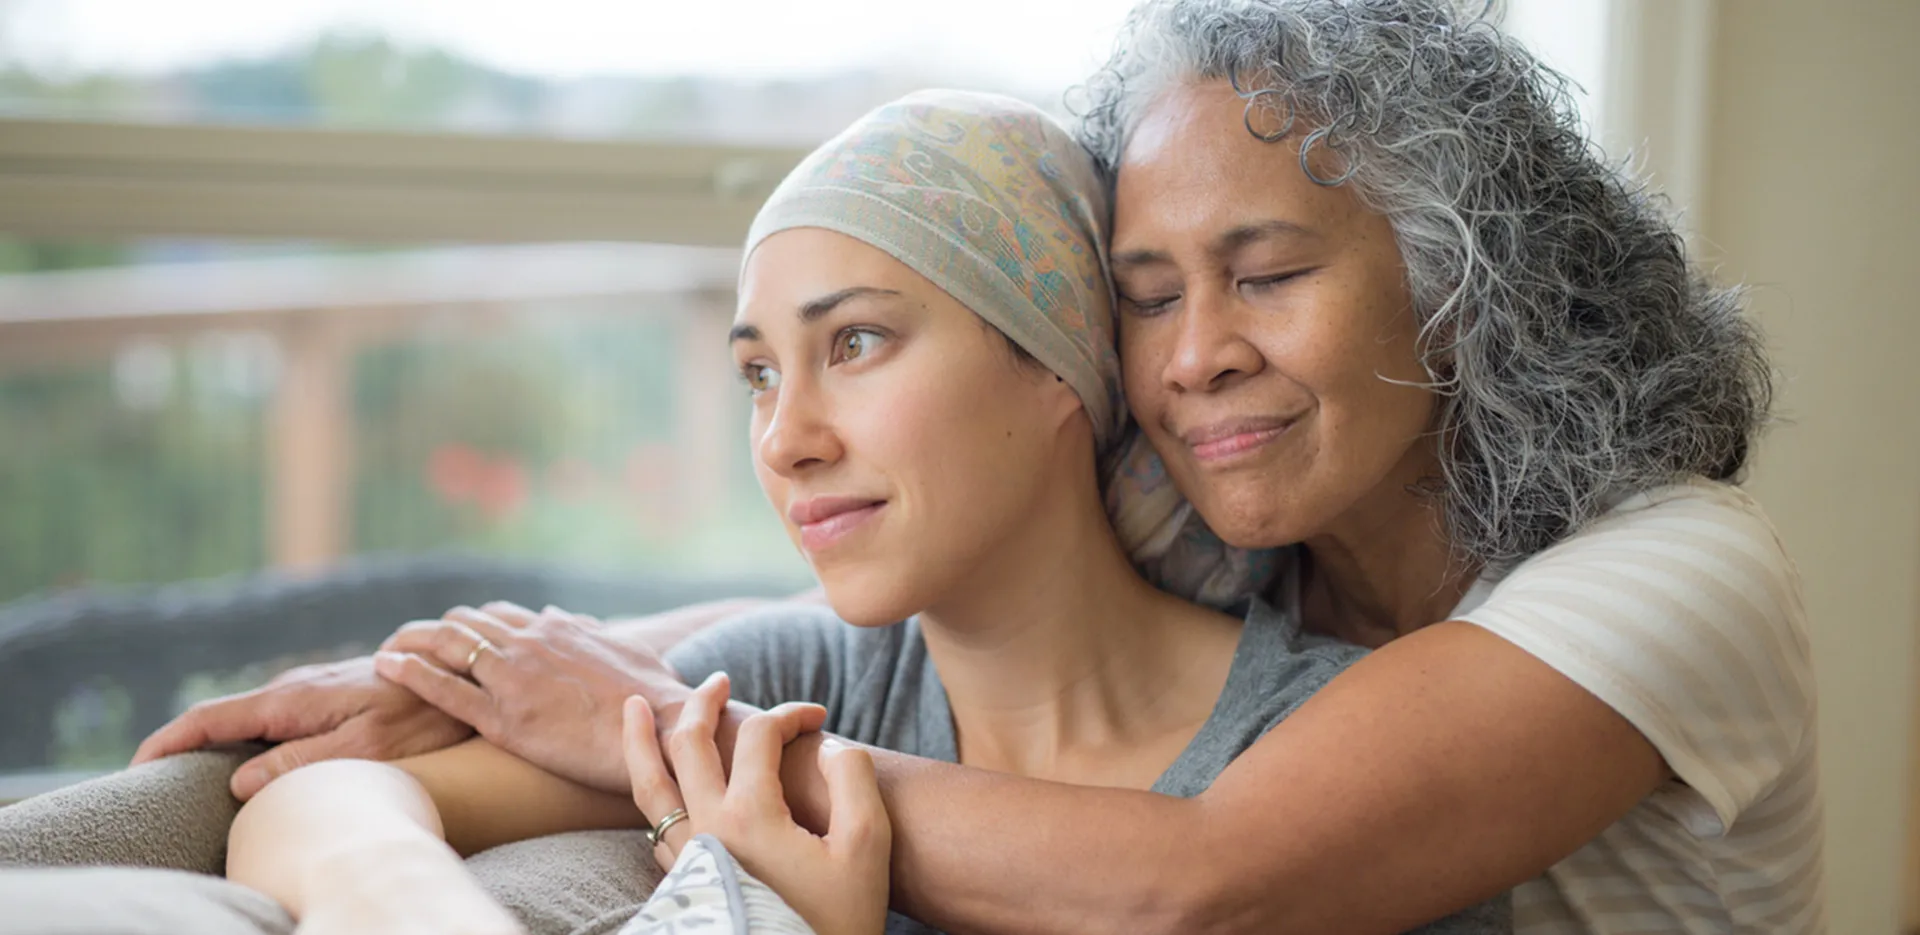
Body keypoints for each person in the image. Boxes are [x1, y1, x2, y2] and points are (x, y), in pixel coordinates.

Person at [140, 1, 1825, 932]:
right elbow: (879, 618)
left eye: (1269, 272)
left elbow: (1203, 876)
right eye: (1148, 295)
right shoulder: (1237, 522)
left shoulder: (1675, 570)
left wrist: (649, 724)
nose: (1189, 358)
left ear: (1464, 279)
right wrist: (473, 663)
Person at [220, 89, 1506, 935]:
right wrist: (403, 900)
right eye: (759, 374)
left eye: (860, 343)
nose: (787, 439)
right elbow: (320, 800)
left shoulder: (1325, 764)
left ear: (1059, 361)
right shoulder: (801, 685)